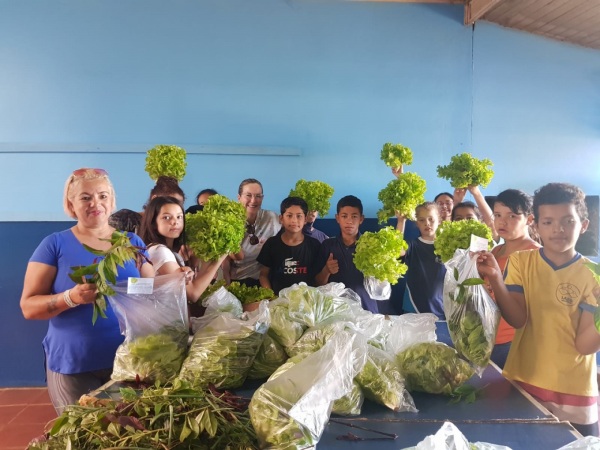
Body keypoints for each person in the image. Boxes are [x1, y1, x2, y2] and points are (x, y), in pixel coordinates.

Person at [20, 168, 155, 414]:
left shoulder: (132, 243)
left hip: (128, 363)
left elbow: (152, 293)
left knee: (128, 435)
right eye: (85, 197)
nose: (96, 203)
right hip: (74, 365)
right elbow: (28, 307)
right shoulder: (54, 244)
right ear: (71, 203)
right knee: (84, 435)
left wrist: (178, 278)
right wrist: (71, 298)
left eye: (103, 196)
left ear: (112, 200)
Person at [477, 182, 600, 436]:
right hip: (523, 383)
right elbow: (517, 319)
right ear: (537, 225)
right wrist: (496, 279)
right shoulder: (522, 261)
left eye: (568, 221)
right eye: (548, 222)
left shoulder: (593, 276)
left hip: (574, 391)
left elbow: (585, 345)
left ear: (584, 226)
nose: (558, 229)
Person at [138, 196, 226, 306]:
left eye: (179, 217)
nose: (175, 222)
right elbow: (193, 294)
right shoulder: (160, 251)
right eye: (166, 217)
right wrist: (220, 257)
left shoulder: (167, 250)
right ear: (153, 223)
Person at [488, 189, 541, 368]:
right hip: (487, 339)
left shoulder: (536, 254)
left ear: (529, 219)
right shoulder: (495, 251)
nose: (502, 221)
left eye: (512, 216)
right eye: (497, 215)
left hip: (515, 342)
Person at [315, 195, 379, 313]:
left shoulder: (372, 246)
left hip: (366, 309)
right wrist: (326, 270)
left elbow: (382, 284)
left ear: (361, 219)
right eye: (344, 216)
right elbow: (318, 283)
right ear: (337, 218)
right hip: (336, 310)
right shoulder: (328, 245)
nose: (349, 221)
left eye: (354, 216)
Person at [257, 197, 321, 294]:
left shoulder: (314, 245)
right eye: (289, 215)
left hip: (307, 301)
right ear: (281, 219)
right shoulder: (272, 243)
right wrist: (270, 297)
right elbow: (263, 275)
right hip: (278, 302)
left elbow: (318, 278)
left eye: (299, 216)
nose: (294, 220)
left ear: (305, 219)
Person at [396, 202, 446, 319]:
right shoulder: (413, 245)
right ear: (416, 223)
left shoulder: (447, 246)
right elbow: (397, 251)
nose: (427, 223)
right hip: (413, 307)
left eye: (431, 219)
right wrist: (401, 221)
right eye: (422, 220)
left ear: (439, 220)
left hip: (441, 308)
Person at [228, 179, 281, 287]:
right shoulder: (229, 222)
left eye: (258, 196)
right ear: (239, 197)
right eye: (248, 195)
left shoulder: (272, 218)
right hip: (240, 280)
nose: (253, 201)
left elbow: (294, 228)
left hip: (268, 279)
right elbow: (236, 257)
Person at [109, 175, 186, 233]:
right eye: (169, 202)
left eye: (179, 205)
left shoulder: (171, 229)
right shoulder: (125, 219)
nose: (174, 208)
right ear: (154, 198)